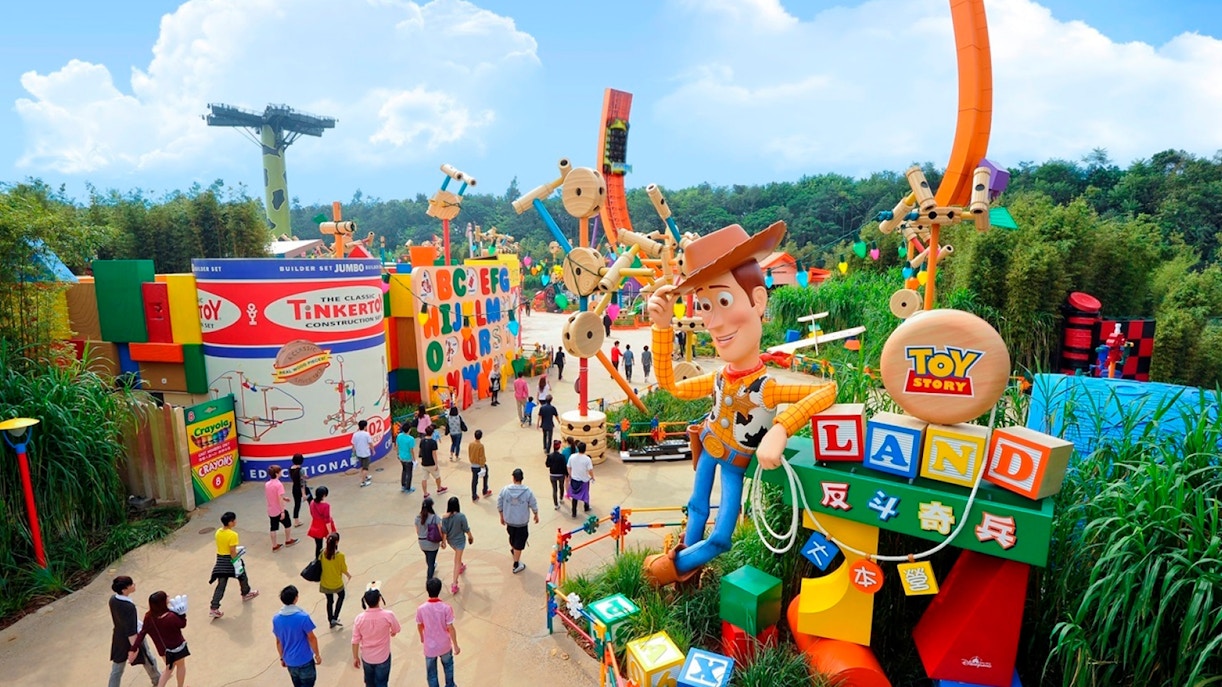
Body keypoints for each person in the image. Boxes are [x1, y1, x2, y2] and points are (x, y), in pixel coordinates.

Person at [643, 222, 837, 586]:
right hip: (711, 448)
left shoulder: (768, 387)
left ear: (758, 301)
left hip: (735, 463)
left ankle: (676, 566)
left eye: (724, 301)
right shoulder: (719, 376)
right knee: (697, 508)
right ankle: (688, 569)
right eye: (704, 306)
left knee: (720, 536)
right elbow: (670, 383)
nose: (713, 321)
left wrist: (780, 429)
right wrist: (663, 328)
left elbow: (827, 390)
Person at [109, 575, 161, 687]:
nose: (134, 585)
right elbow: (131, 630)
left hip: (119, 637)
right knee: (147, 658)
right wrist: (134, 648)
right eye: (131, 584)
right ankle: (157, 679)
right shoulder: (128, 607)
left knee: (117, 668)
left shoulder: (113, 600)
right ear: (124, 590)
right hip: (133, 637)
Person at [209, 511, 258, 619]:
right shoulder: (233, 535)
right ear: (230, 522)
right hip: (229, 560)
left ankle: (214, 607)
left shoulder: (218, 532)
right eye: (234, 520)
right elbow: (232, 551)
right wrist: (236, 562)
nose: (235, 521)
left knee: (221, 585)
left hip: (220, 560)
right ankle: (246, 593)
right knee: (242, 575)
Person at [135, 591, 189, 687]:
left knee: (169, 668)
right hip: (178, 647)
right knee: (181, 666)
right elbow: (182, 624)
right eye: (166, 596)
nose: (168, 596)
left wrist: (133, 648)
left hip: (164, 650)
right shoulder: (171, 616)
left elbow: (142, 632)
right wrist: (182, 614)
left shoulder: (149, 617)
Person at [273, 585, 321, 687]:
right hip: (305, 660)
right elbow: (312, 638)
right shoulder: (303, 617)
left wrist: (282, 658)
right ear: (296, 598)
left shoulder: (276, 619)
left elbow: (278, 641)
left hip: (290, 661)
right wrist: (317, 655)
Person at [351, 587, 400, 687]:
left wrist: (355, 657)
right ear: (379, 599)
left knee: (369, 683)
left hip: (367, 658)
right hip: (383, 657)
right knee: (382, 683)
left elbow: (355, 641)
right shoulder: (388, 615)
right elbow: (396, 629)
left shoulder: (359, 619)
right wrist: (393, 632)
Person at [416, 577, 461, 687]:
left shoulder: (421, 609)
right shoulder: (446, 608)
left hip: (430, 647)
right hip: (444, 644)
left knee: (431, 674)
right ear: (440, 589)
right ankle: (450, 685)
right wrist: (455, 645)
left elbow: (420, 625)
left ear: (427, 590)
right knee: (448, 667)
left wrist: (422, 637)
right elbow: (451, 628)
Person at [497, 468, 539, 574]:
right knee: (519, 543)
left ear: (513, 478)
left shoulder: (505, 490)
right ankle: (516, 564)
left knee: (512, 536)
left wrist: (501, 516)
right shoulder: (527, 491)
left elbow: (499, 503)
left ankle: (513, 550)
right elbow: (533, 503)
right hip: (521, 522)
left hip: (509, 520)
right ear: (522, 478)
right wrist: (535, 514)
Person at [319, 532, 352, 629]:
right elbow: (343, 569)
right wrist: (348, 575)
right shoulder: (340, 556)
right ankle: (335, 617)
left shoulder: (322, 553)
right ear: (337, 542)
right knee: (341, 596)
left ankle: (330, 620)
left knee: (329, 601)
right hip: (337, 583)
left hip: (325, 582)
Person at [442, 497, 473, 594]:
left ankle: (461, 565)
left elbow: (444, 531)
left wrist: (444, 542)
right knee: (456, 561)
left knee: (458, 556)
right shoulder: (461, 516)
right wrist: (470, 536)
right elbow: (466, 528)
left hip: (451, 541)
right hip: (459, 541)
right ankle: (454, 583)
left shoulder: (445, 517)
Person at [265, 465, 298, 552]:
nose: (281, 473)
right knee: (287, 524)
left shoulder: (267, 484)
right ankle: (288, 540)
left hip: (271, 510)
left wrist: (284, 498)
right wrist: (282, 511)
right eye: (280, 471)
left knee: (273, 528)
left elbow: (273, 496)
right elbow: (279, 499)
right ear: (276, 474)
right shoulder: (279, 485)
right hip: (279, 510)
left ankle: (274, 545)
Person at [415, 497, 445, 581]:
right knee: (431, 562)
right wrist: (443, 541)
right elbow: (440, 530)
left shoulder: (417, 518)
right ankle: (429, 580)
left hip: (422, 543)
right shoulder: (435, 518)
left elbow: (417, 531)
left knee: (428, 558)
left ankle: (431, 568)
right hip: (432, 544)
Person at [307, 486, 338, 558]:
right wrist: (330, 532)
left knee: (318, 546)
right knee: (333, 542)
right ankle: (333, 556)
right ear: (324, 495)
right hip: (324, 525)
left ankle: (318, 560)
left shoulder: (312, 502)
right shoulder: (326, 506)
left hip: (315, 524)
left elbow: (312, 513)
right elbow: (327, 520)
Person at [567, 441, 594, 517]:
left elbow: (568, 467)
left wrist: (571, 475)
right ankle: (586, 507)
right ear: (585, 449)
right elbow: (590, 470)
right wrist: (592, 477)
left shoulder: (572, 456)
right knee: (586, 494)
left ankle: (574, 512)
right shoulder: (587, 459)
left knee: (574, 497)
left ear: (577, 448)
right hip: (584, 480)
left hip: (574, 479)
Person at [418, 425, 447, 496]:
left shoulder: (422, 441)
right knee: (437, 476)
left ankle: (425, 493)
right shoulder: (433, 442)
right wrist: (436, 464)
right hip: (431, 463)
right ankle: (439, 488)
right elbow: (434, 454)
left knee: (424, 479)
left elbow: (421, 450)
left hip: (424, 463)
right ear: (432, 433)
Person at [468, 429, 492, 501]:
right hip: (479, 465)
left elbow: (469, 453)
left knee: (474, 481)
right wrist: (482, 465)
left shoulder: (471, 444)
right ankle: (485, 490)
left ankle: (474, 495)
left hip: (473, 464)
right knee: (485, 476)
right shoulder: (480, 446)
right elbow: (481, 456)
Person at [545, 440, 567, 511]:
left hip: (552, 475)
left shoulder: (550, 456)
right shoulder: (562, 457)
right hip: (561, 475)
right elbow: (564, 466)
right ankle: (561, 498)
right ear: (559, 447)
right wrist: (566, 474)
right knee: (561, 486)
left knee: (554, 490)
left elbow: (547, 465)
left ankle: (556, 505)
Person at [352, 420, 374, 487]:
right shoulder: (366, 434)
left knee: (362, 466)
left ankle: (365, 477)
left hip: (359, 453)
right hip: (365, 453)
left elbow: (353, 445)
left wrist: (353, 453)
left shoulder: (355, 434)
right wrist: (373, 450)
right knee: (365, 468)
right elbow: (370, 443)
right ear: (365, 426)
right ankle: (363, 482)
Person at [396, 424, 417, 493]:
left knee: (404, 471)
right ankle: (408, 488)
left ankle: (403, 485)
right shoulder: (411, 439)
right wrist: (414, 459)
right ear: (409, 430)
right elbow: (411, 450)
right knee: (409, 473)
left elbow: (397, 445)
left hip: (401, 457)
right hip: (408, 458)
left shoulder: (399, 436)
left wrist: (398, 454)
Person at [289, 453, 308, 527]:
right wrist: (303, 494)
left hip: (294, 488)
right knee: (311, 501)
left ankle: (296, 521)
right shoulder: (301, 470)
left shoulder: (291, 468)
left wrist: (303, 476)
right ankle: (316, 515)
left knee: (297, 504)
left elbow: (296, 477)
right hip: (301, 488)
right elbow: (302, 483)